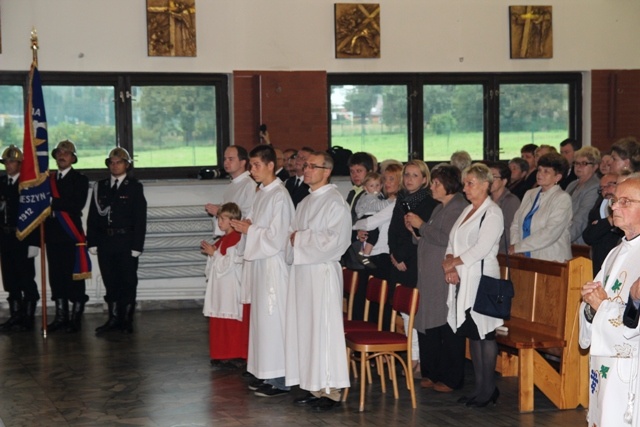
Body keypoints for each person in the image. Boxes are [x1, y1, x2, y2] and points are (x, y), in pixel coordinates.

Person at [286, 151, 352, 412]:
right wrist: (297, 239)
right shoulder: (304, 202)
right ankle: (314, 385)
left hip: (322, 273)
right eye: (305, 165)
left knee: (323, 331)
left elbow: (336, 241)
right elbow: (291, 235)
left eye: (312, 166)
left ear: (326, 171)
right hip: (303, 274)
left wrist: (300, 239)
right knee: (308, 331)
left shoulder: (335, 202)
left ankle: (331, 389)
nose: (306, 169)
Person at [232, 145, 294, 397]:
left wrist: (251, 231)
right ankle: (266, 374)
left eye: (257, 165)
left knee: (274, 322)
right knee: (261, 323)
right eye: (251, 165)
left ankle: (281, 379)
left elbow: (277, 236)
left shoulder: (279, 194)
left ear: (271, 165)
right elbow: (258, 225)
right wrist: (247, 224)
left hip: (273, 266)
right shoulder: (261, 192)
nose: (252, 170)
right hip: (261, 264)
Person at [579, 175, 640, 427]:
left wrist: (602, 305)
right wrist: (593, 306)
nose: (614, 206)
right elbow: (595, 301)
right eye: (615, 200)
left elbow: (633, 323)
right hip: (605, 367)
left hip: (631, 372)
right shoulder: (616, 251)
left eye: (626, 201)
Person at [443, 163, 504, 408]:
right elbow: (452, 240)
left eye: (471, 183)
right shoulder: (468, 209)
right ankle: (480, 388)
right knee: (473, 334)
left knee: (485, 334)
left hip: (482, 280)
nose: (465, 188)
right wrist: (449, 261)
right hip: (463, 277)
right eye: (465, 183)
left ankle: (488, 389)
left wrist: (453, 263)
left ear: (486, 185)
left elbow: (481, 248)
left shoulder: (493, 213)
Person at [406, 165, 468, 393]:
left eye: (436, 183)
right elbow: (430, 237)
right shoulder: (440, 207)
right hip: (429, 276)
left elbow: (447, 239)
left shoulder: (457, 207)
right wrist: (416, 232)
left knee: (445, 326)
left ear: (449, 185)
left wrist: (421, 226)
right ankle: (431, 372)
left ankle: (450, 376)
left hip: (443, 276)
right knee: (428, 323)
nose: (432, 187)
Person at [88, 147, 147, 334]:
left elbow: (140, 218)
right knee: (110, 281)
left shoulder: (134, 187)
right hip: (106, 240)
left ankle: (126, 320)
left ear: (127, 165)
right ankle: (114, 318)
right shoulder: (101, 186)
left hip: (126, 241)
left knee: (128, 281)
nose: (115, 166)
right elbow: (93, 216)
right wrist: (92, 241)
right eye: (111, 163)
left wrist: (137, 245)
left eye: (119, 162)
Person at [45, 140, 91, 333]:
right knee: (56, 277)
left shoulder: (80, 179)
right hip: (52, 235)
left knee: (74, 277)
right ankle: (61, 317)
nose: (61, 156)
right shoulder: (47, 179)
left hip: (71, 235)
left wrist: (51, 202)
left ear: (73, 158)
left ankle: (75, 319)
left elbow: (75, 205)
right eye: (59, 153)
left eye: (66, 153)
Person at [351, 163, 402, 321]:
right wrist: (358, 230)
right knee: (370, 302)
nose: (387, 183)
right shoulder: (379, 199)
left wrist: (354, 226)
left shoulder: (395, 203)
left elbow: (371, 223)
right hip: (374, 254)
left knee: (381, 305)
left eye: (392, 179)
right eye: (385, 179)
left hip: (384, 256)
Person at [201, 202, 247, 370]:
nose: (219, 222)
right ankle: (221, 354)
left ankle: (235, 354)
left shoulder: (237, 239)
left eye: (223, 219)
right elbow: (217, 262)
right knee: (219, 319)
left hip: (230, 287)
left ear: (233, 220)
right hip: (220, 287)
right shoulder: (223, 240)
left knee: (231, 320)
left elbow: (230, 264)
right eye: (219, 218)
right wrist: (213, 254)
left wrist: (215, 254)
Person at [0, 146, 39, 332]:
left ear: (20, 164)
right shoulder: (1, 183)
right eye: (6, 162)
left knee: (26, 279)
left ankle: (28, 318)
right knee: (10, 278)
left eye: (12, 161)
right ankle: (16, 316)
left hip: (23, 237)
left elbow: (36, 216)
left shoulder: (28, 185)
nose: (8, 165)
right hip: (5, 237)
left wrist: (34, 243)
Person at [509, 152, 572, 262]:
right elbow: (515, 223)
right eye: (539, 170)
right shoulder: (530, 193)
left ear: (557, 177)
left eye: (546, 171)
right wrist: (516, 248)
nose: (540, 174)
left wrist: (519, 247)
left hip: (551, 260)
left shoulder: (562, 198)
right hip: (524, 256)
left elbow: (550, 233)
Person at [205, 145, 255, 234]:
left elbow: (248, 216)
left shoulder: (249, 185)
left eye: (231, 159)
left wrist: (220, 212)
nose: (226, 162)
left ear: (242, 162)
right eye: (225, 159)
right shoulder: (231, 185)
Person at [582, 173, 623, 276]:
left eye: (609, 185)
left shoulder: (627, 209)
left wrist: (600, 225)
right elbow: (588, 236)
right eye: (602, 188)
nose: (605, 190)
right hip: (599, 265)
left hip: (619, 265)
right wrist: (609, 221)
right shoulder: (598, 208)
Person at [353, 172, 391, 268]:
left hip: (365, 217)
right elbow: (377, 206)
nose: (375, 188)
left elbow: (357, 207)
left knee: (367, 237)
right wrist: (389, 201)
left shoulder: (370, 196)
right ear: (365, 188)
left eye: (377, 185)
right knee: (373, 236)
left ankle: (362, 252)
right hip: (368, 216)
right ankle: (366, 255)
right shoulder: (370, 197)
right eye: (371, 186)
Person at [566, 146, 601, 244]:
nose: (578, 166)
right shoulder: (572, 184)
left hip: (578, 241)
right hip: (564, 234)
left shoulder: (595, 186)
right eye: (576, 163)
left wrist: (564, 239)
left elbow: (582, 217)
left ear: (595, 166)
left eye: (584, 163)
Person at [488, 162, 520, 254]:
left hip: (503, 253)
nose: (489, 180)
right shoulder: (486, 200)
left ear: (504, 181)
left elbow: (511, 231)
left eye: (493, 177)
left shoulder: (511, 201)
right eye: (487, 176)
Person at [345, 152, 375, 223]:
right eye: (352, 171)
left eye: (359, 171)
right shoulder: (352, 193)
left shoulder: (371, 194)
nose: (355, 175)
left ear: (370, 172)